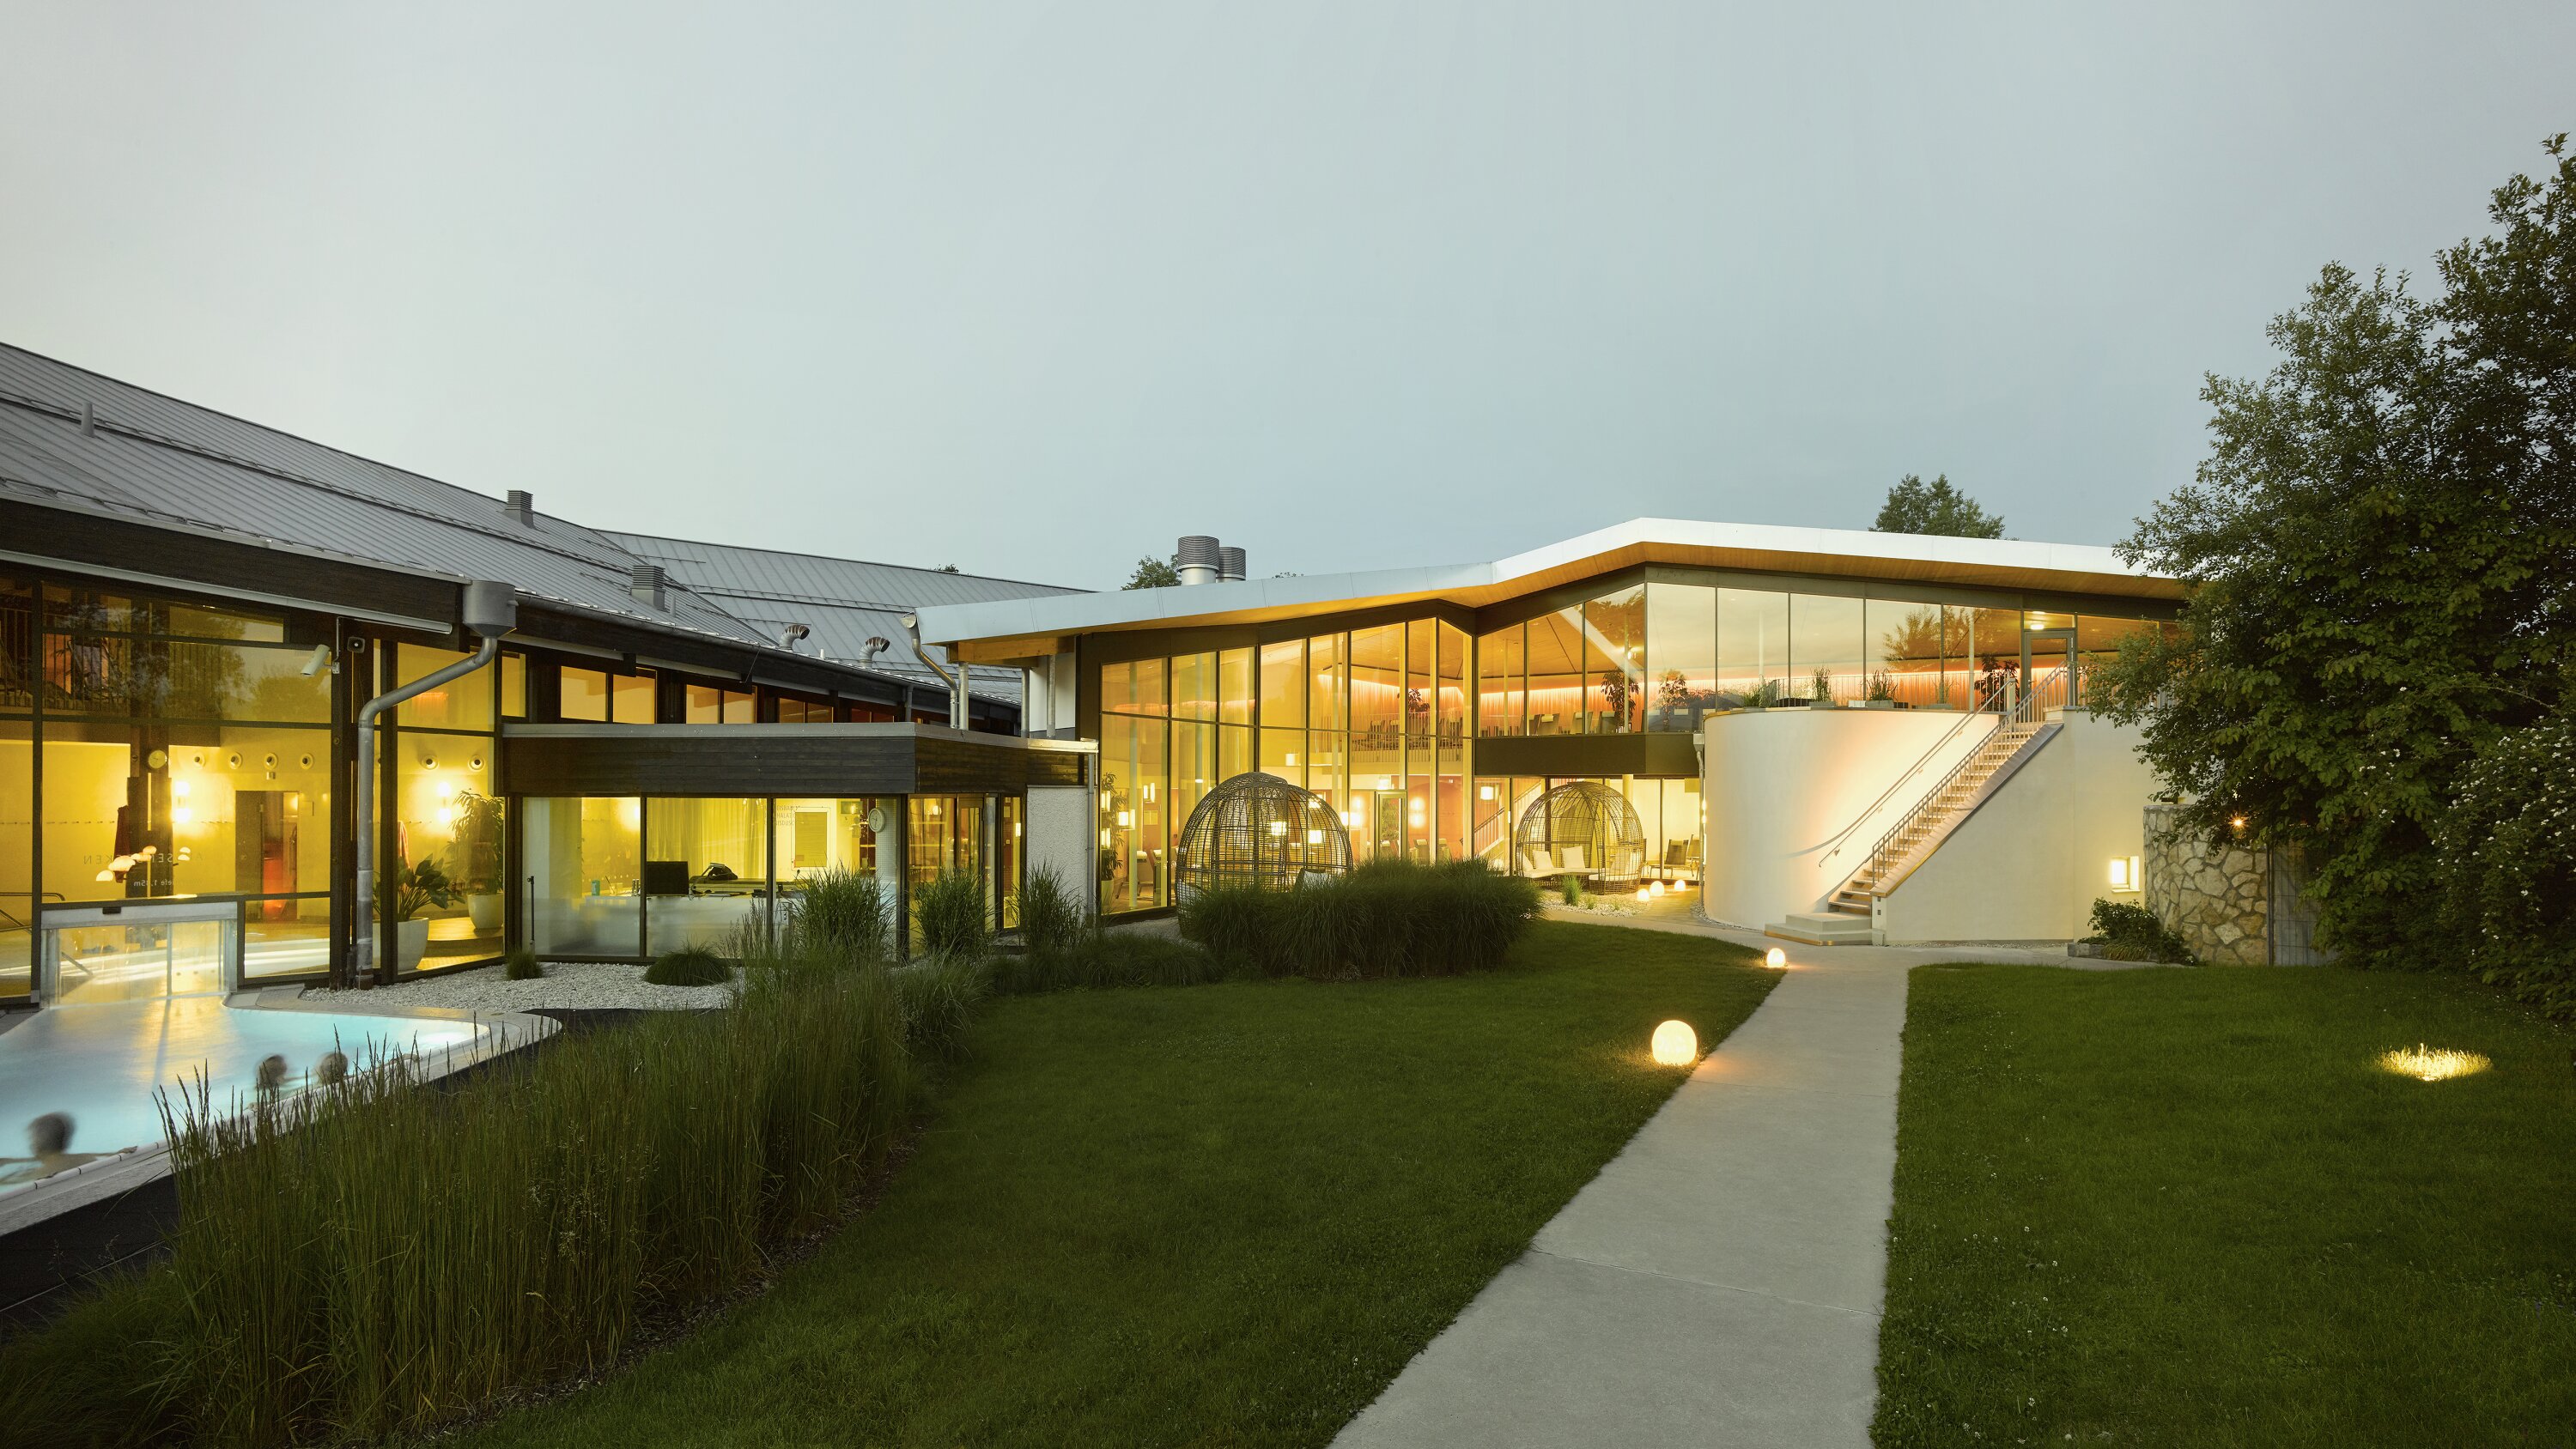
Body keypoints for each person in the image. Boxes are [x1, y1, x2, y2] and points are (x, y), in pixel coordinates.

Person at [0, 1113, 111, 1185]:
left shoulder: (39, 1175)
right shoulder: (88, 1159)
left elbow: (7, 1183)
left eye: (32, 1139)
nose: (31, 1145)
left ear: (38, 1143)